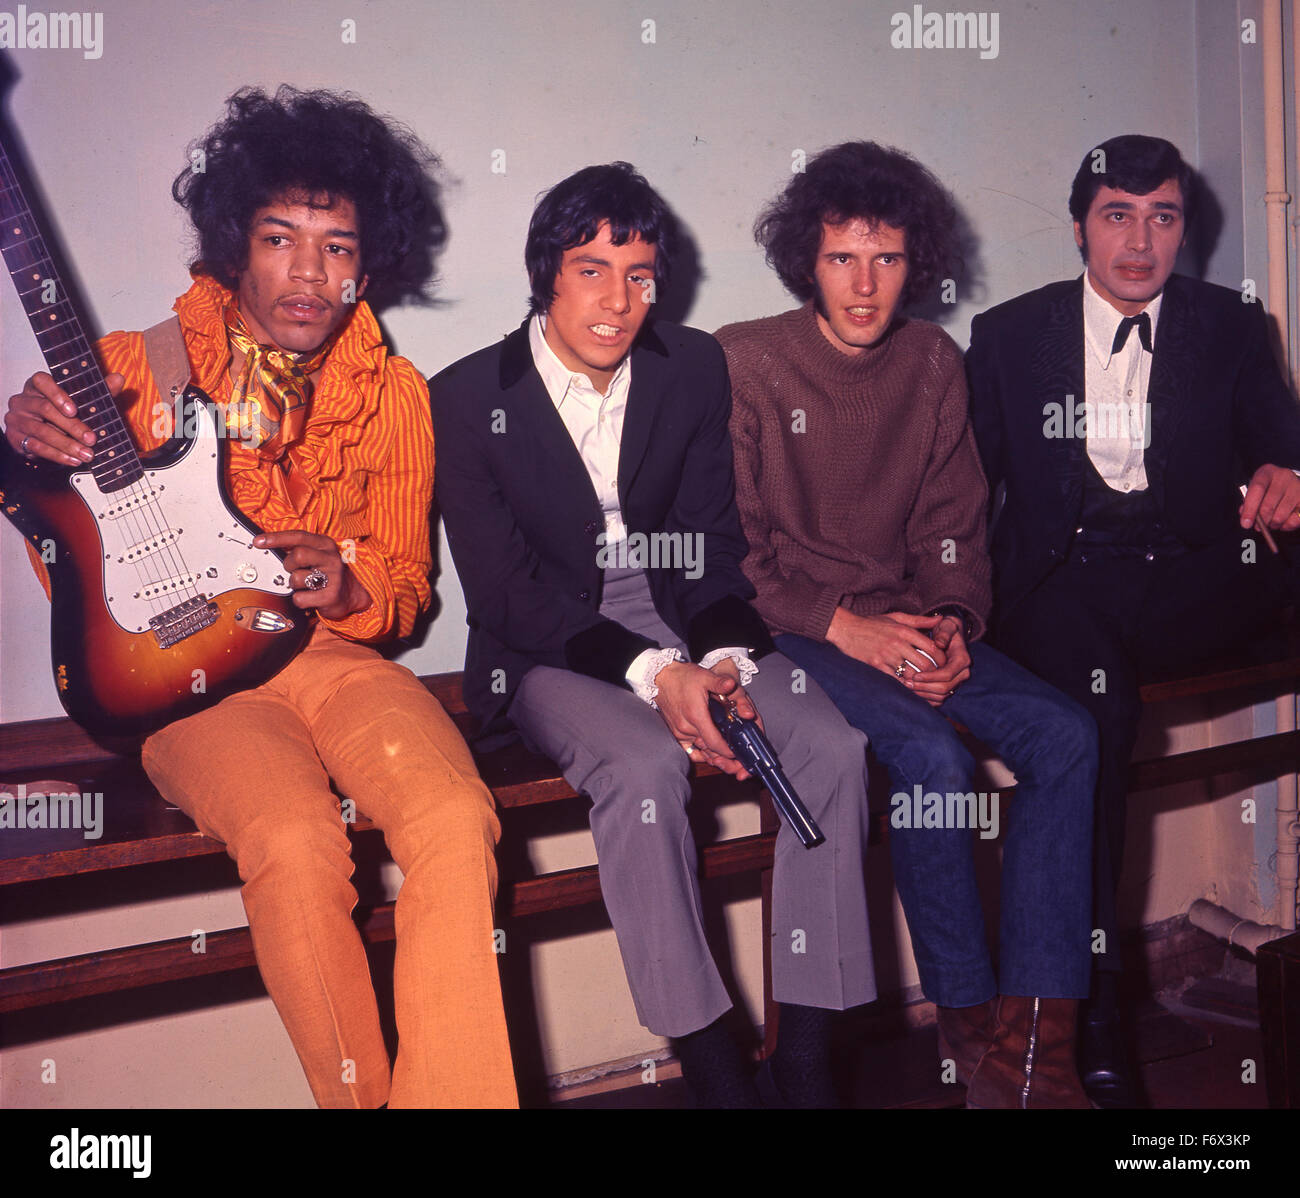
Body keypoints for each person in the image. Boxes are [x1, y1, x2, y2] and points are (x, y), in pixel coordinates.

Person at [3, 86, 517, 1108]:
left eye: (337, 247)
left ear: (367, 264)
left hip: (323, 655)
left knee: (457, 817)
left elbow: (406, 591)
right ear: (235, 244)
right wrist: (24, 452)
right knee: (291, 840)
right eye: (281, 238)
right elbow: (66, 568)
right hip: (177, 684)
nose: (309, 272)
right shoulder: (125, 373)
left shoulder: (393, 395)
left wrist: (347, 579)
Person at [430, 161, 875, 1108]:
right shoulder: (467, 396)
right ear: (545, 271)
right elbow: (506, 597)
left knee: (833, 746)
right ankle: (717, 1073)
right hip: (550, 648)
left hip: (688, 618)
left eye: (639, 275)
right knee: (642, 774)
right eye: (591, 269)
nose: (618, 301)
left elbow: (716, 546)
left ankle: (806, 1066)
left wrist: (716, 659)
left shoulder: (693, 366)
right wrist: (655, 673)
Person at [716, 141, 1098, 1109]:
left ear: (914, 263)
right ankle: (968, 1028)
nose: (864, 282)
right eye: (842, 257)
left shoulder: (932, 358)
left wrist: (955, 620)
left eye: (885, 258)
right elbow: (737, 559)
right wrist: (849, 631)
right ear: (807, 258)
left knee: (1065, 732)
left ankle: (1036, 1050)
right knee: (931, 757)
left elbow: (952, 525)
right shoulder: (744, 361)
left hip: (909, 618)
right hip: (792, 631)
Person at [966, 133, 1300, 1107]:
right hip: (1061, 581)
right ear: (1080, 225)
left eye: (1163, 218)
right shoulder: (1008, 334)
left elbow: (1279, 441)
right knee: (1094, 720)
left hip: (1186, 577)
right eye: (1118, 214)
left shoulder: (1231, 326)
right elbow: (963, 493)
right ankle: (1098, 1000)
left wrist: (1284, 473)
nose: (1140, 242)